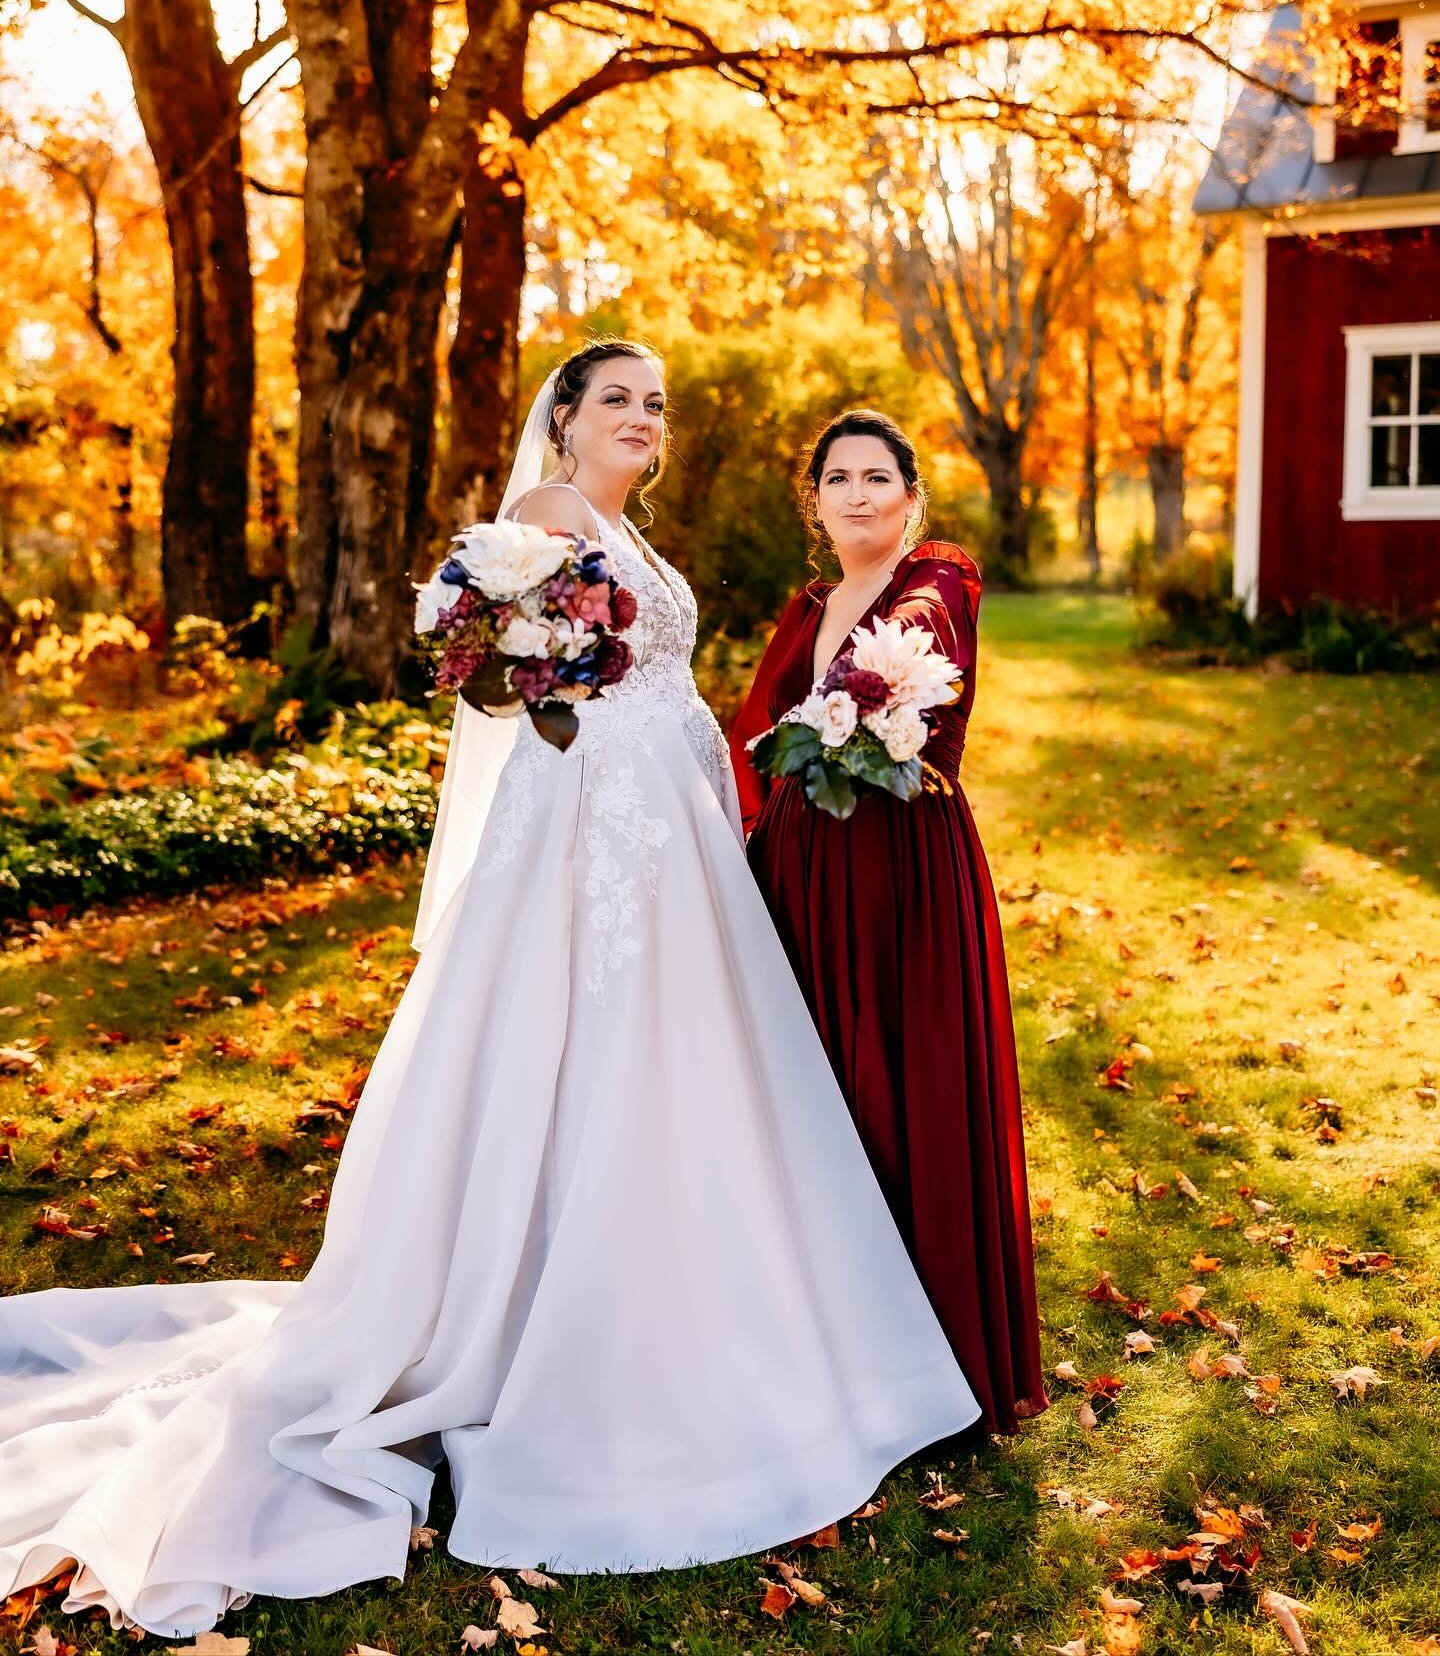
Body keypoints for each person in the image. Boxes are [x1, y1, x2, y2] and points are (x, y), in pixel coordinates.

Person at [0, 345, 980, 1640]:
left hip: (676, 834)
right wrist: (541, 673)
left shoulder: (625, 532)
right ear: (564, 421)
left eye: (655, 404)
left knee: (705, 1081)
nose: (642, 420)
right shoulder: (542, 522)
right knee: (583, 1067)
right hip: (589, 836)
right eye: (616, 399)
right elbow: (515, 680)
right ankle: (551, 1326)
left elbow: (653, 686)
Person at [730, 409, 1048, 1435]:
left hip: (903, 873)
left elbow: (914, 650)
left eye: (879, 477)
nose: (859, 494)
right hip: (799, 875)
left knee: (904, 1090)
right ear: (813, 503)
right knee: (815, 1095)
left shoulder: (938, 580)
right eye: (838, 479)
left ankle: (934, 1362)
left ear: (914, 498)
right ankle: (824, 1345)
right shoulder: (807, 607)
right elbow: (750, 738)